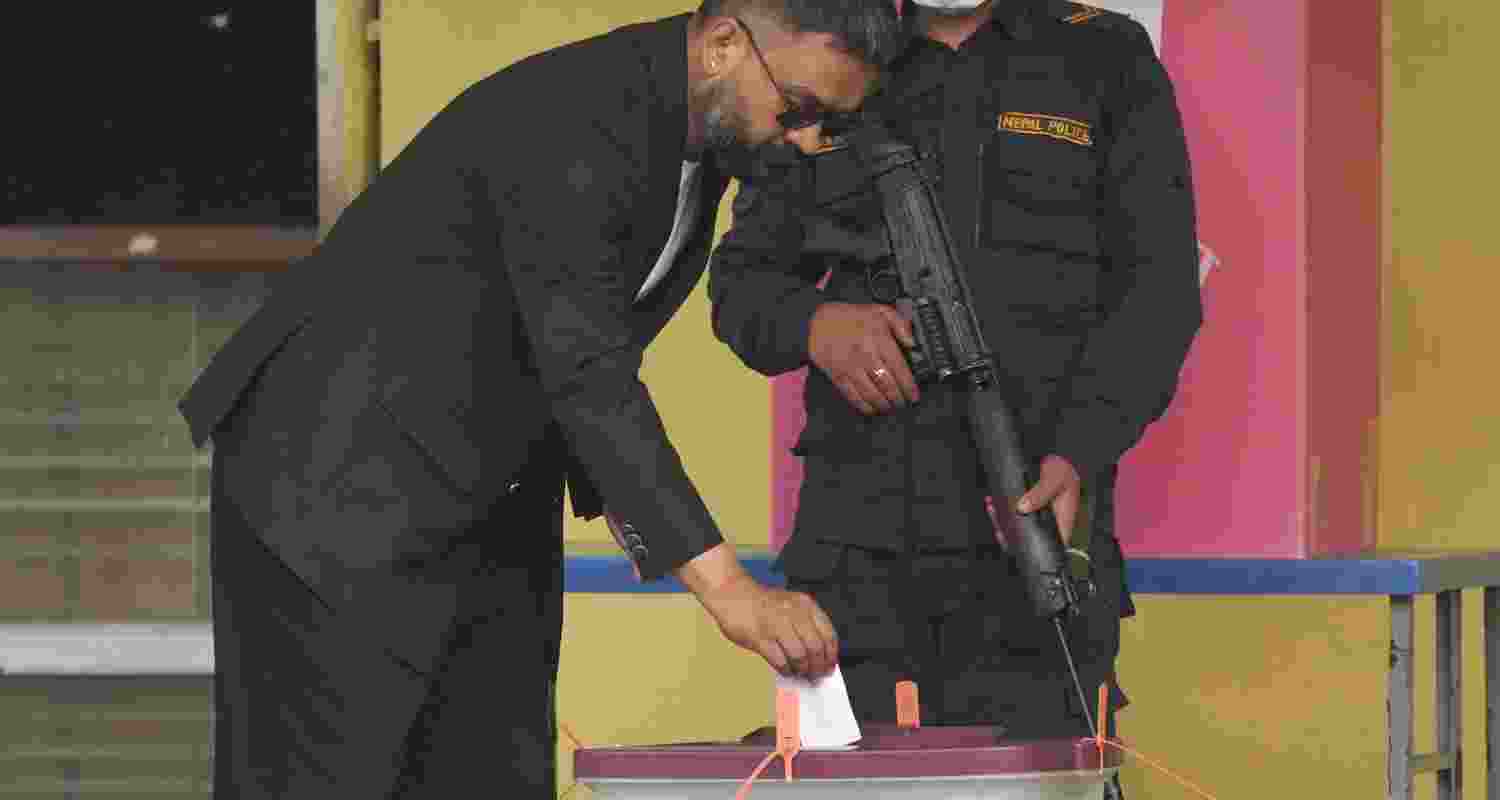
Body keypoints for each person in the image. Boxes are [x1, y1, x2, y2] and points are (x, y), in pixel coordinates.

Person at [178, 2, 904, 797]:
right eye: (796, 109)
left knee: (495, 772)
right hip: (335, 482)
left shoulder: (691, 146)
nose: (801, 139)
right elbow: (588, 372)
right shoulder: (579, 118)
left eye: (825, 123)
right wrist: (729, 590)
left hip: (485, 491)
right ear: (725, 44)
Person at [708, 0, 1201, 792]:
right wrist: (816, 324)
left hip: (1032, 542)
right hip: (861, 557)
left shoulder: (1103, 56)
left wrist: (1082, 448)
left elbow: (1161, 295)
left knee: (1050, 782)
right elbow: (739, 287)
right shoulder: (828, 53)